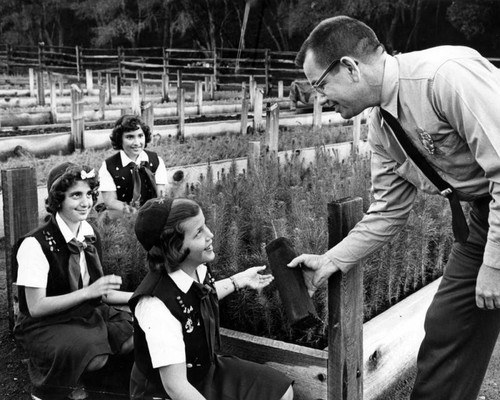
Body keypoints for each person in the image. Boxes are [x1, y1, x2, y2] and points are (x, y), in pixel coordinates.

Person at [288, 15, 500, 400]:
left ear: (350, 67)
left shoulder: (443, 78)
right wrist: (331, 261)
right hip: (487, 216)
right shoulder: (381, 126)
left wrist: (495, 263)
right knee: (448, 325)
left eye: (320, 85)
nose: (320, 98)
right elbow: (388, 210)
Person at [129, 197, 294, 400]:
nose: (211, 234)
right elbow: (175, 386)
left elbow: (200, 294)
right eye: (199, 232)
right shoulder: (156, 305)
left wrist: (237, 280)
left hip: (204, 371)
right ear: (175, 248)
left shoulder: (196, 267)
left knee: (280, 391)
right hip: (164, 392)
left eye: (205, 225)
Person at [13, 162, 134, 400]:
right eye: (76, 195)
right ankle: (51, 383)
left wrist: (142, 296)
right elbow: (36, 307)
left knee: (132, 336)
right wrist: (88, 293)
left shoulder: (88, 233)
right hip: (45, 321)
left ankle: (96, 382)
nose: (86, 202)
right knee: (93, 355)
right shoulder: (34, 244)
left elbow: (101, 293)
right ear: (58, 200)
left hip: (85, 311)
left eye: (89, 194)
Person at [98, 114, 168, 218]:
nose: (137, 143)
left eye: (140, 136)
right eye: (130, 137)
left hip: (152, 214)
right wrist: (135, 213)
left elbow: (161, 194)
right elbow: (110, 201)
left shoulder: (155, 161)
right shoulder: (109, 166)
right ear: (119, 139)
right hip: (123, 216)